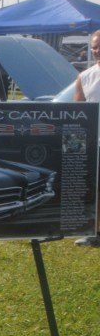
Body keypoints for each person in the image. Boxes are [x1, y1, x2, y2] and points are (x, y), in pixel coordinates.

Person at [72, 29, 100, 247]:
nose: (95, 50)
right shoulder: (85, 76)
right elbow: (76, 113)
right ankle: (96, 233)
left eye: (99, 46)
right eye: (93, 46)